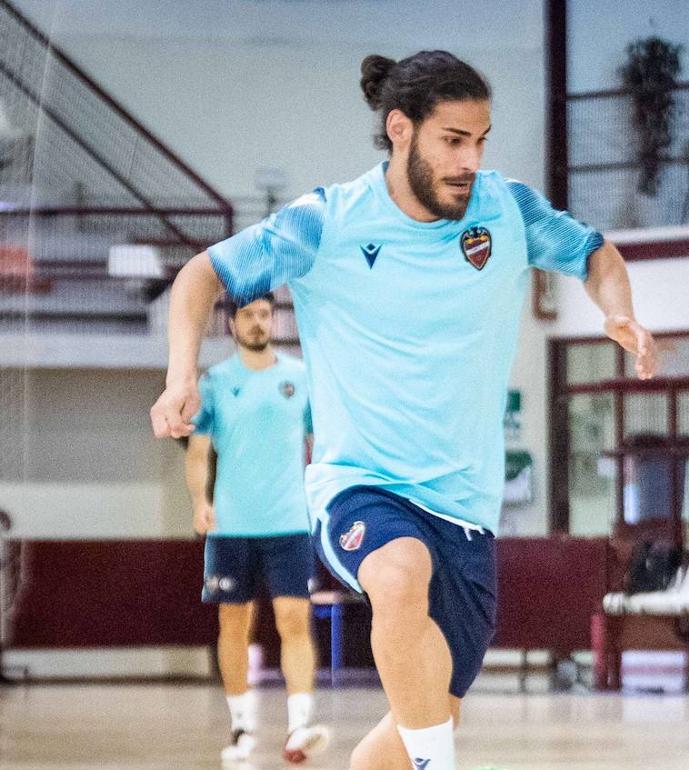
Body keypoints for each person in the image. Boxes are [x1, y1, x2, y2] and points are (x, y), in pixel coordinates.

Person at [151, 50, 657, 770]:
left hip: (467, 513)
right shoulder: (326, 222)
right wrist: (181, 379)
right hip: (362, 485)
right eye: (453, 140)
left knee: (412, 726)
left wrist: (620, 312)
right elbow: (201, 275)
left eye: (480, 141)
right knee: (396, 576)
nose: (469, 159)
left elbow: (595, 254)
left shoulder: (506, 211)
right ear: (400, 130)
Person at [185, 293, 330, 764]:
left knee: (294, 621)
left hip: (289, 522)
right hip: (231, 527)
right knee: (233, 623)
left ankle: (299, 726)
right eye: (247, 316)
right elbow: (198, 451)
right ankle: (241, 727)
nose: (257, 323)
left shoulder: (299, 377)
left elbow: (323, 443)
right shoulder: (216, 382)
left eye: (264, 314)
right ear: (232, 324)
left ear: (273, 320)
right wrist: (199, 501)